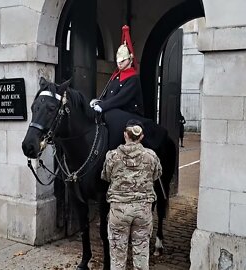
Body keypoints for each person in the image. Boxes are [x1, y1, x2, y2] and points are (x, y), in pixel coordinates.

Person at [101, 119, 162, 270]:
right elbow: (157, 174)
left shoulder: (112, 156)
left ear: (125, 135)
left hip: (119, 211)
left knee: (117, 259)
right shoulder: (151, 156)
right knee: (141, 257)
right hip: (143, 211)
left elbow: (106, 176)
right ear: (141, 137)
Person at [90, 25, 144, 116]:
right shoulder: (116, 76)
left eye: (122, 61)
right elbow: (109, 96)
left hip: (129, 114)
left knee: (109, 116)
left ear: (130, 59)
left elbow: (120, 98)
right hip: (115, 111)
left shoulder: (133, 79)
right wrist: (99, 102)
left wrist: (103, 106)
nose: (119, 64)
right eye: (118, 61)